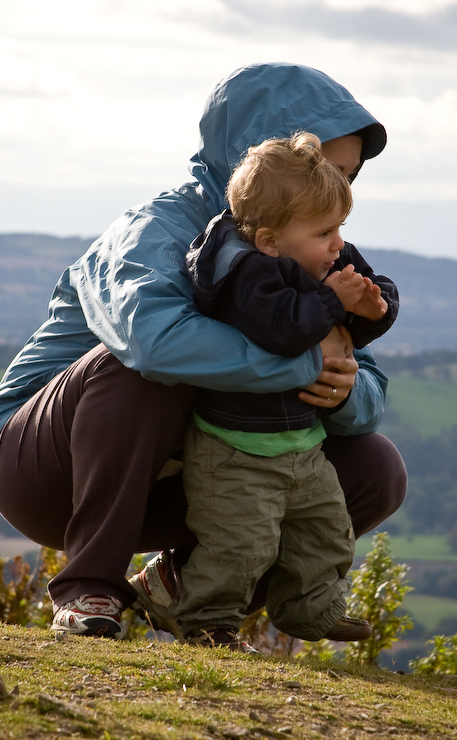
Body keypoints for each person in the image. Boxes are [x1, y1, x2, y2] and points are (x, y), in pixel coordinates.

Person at [0, 62, 408, 640]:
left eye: (348, 176)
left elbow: (365, 377)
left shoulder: (311, 245)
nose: (341, 192)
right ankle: (89, 589)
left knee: (374, 469)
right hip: (44, 468)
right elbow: (152, 345)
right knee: (136, 367)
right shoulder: (153, 231)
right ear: (264, 157)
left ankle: (186, 590)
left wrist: (346, 389)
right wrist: (304, 363)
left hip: (192, 470)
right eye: (325, 168)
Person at [167, 131, 399, 650]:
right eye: (325, 232)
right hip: (235, 452)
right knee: (238, 546)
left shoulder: (314, 257)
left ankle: (312, 610)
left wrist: (375, 306)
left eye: (341, 228)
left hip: (301, 445)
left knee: (326, 531)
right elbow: (282, 330)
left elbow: (367, 289)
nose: (338, 243)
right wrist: (334, 301)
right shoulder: (245, 274)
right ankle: (208, 623)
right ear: (270, 241)